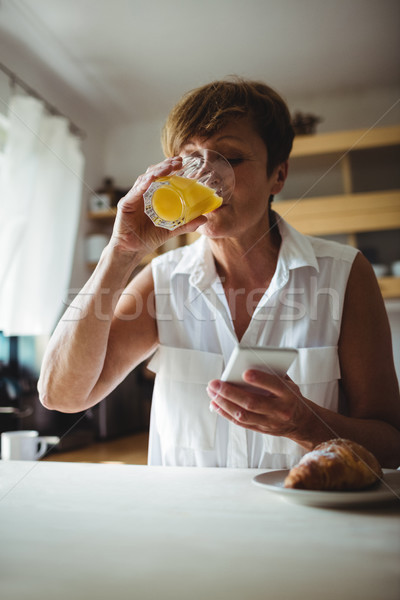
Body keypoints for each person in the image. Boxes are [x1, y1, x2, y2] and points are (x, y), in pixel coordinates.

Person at [38, 78, 400, 469]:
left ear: (278, 175)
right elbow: (61, 395)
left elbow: (391, 443)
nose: (207, 174)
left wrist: (306, 424)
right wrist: (122, 251)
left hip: (306, 526)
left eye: (231, 158)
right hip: (185, 527)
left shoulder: (344, 274)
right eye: (192, 159)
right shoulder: (163, 280)